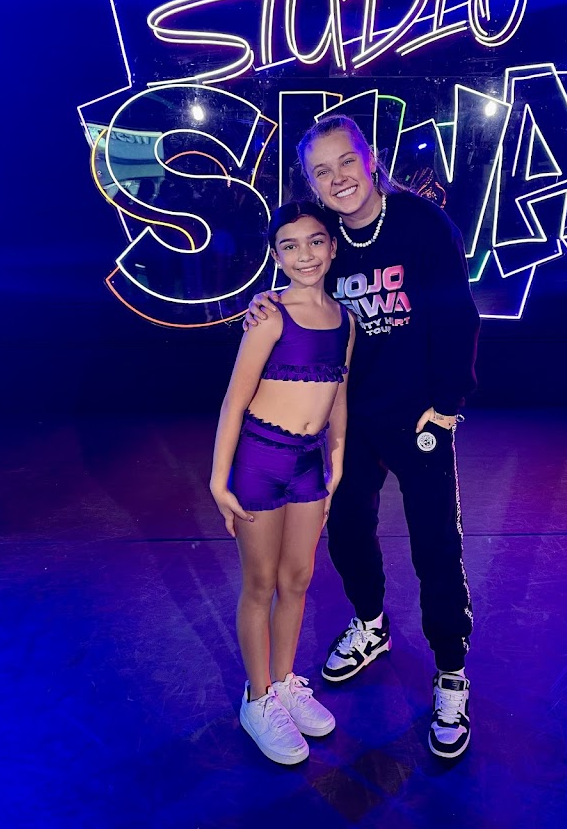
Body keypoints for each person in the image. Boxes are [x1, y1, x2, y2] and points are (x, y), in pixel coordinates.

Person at [245, 115, 480, 759]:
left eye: (346, 161)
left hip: (419, 417)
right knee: (347, 531)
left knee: (436, 543)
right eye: (321, 171)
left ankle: (450, 673)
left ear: (370, 158)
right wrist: (265, 304)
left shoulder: (421, 225)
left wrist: (447, 404)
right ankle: (372, 623)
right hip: (349, 420)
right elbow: (299, 283)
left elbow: (457, 315)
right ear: (312, 183)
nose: (338, 178)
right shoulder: (326, 239)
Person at [210, 201, 356, 765]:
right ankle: (258, 698)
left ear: (333, 246)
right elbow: (234, 401)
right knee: (261, 582)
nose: (305, 255)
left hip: (309, 465)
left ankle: (285, 682)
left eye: (315, 241)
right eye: (289, 246)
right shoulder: (269, 316)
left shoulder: (345, 320)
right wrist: (219, 479)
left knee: (297, 578)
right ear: (276, 256)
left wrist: (336, 459)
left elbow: (337, 394)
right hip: (260, 461)